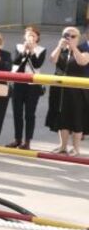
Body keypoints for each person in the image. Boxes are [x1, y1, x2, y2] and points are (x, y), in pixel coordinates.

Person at [45, 26, 89, 155]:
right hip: (61, 89)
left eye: (73, 36)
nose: (69, 38)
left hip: (77, 91)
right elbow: (52, 59)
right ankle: (63, 146)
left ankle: (76, 148)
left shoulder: (83, 50)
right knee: (62, 118)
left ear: (78, 38)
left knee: (77, 118)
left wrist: (73, 47)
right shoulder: (62, 50)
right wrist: (60, 46)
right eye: (66, 35)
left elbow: (82, 62)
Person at [8, 26, 46, 149]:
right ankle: (17, 139)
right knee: (17, 113)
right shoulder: (19, 47)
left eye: (33, 35)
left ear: (37, 38)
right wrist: (24, 51)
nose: (31, 37)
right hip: (18, 83)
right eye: (29, 35)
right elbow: (15, 62)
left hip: (33, 85)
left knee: (30, 114)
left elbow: (37, 64)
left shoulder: (41, 50)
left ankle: (27, 141)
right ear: (24, 36)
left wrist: (32, 52)